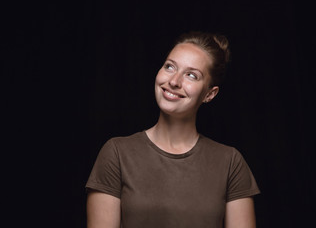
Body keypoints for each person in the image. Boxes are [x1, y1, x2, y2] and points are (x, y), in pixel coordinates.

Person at [86, 31, 260, 228]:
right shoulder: (117, 153)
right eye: (170, 67)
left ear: (210, 94)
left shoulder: (230, 163)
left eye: (191, 75)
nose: (174, 81)